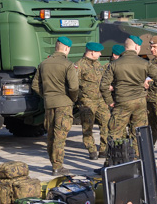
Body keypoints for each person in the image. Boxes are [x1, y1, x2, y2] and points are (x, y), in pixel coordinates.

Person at [99, 35, 157, 150]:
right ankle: (137, 161)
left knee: (115, 133)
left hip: (122, 101)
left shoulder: (114, 64)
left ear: (126, 47)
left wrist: (109, 101)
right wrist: (148, 87)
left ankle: (114, 162)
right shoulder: (145, 63)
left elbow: (103, 85)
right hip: (140, 102)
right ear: (137, 47)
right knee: (137, 133)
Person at [31, 36, 79, 176]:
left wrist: (47, 96)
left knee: (51, 135)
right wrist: (71, 99)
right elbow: (74, 87)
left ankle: (54, 163)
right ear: (66, 48)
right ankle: (57, 167)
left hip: (49, 104)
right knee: (60, 136)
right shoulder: (68, 65)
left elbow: (35, 85)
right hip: (63, 104)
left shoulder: (43, 64)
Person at [76, 42, 109, 160]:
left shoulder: (98, 64)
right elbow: (73, 84)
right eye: (99, 52)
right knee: (87, 126)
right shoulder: (79, 65)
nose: (100, 54)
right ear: (92, 52)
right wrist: (80, 98)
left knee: (106, 122)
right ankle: (92, 150)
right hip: (87, 101)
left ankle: (104, 149)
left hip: (100, 100)